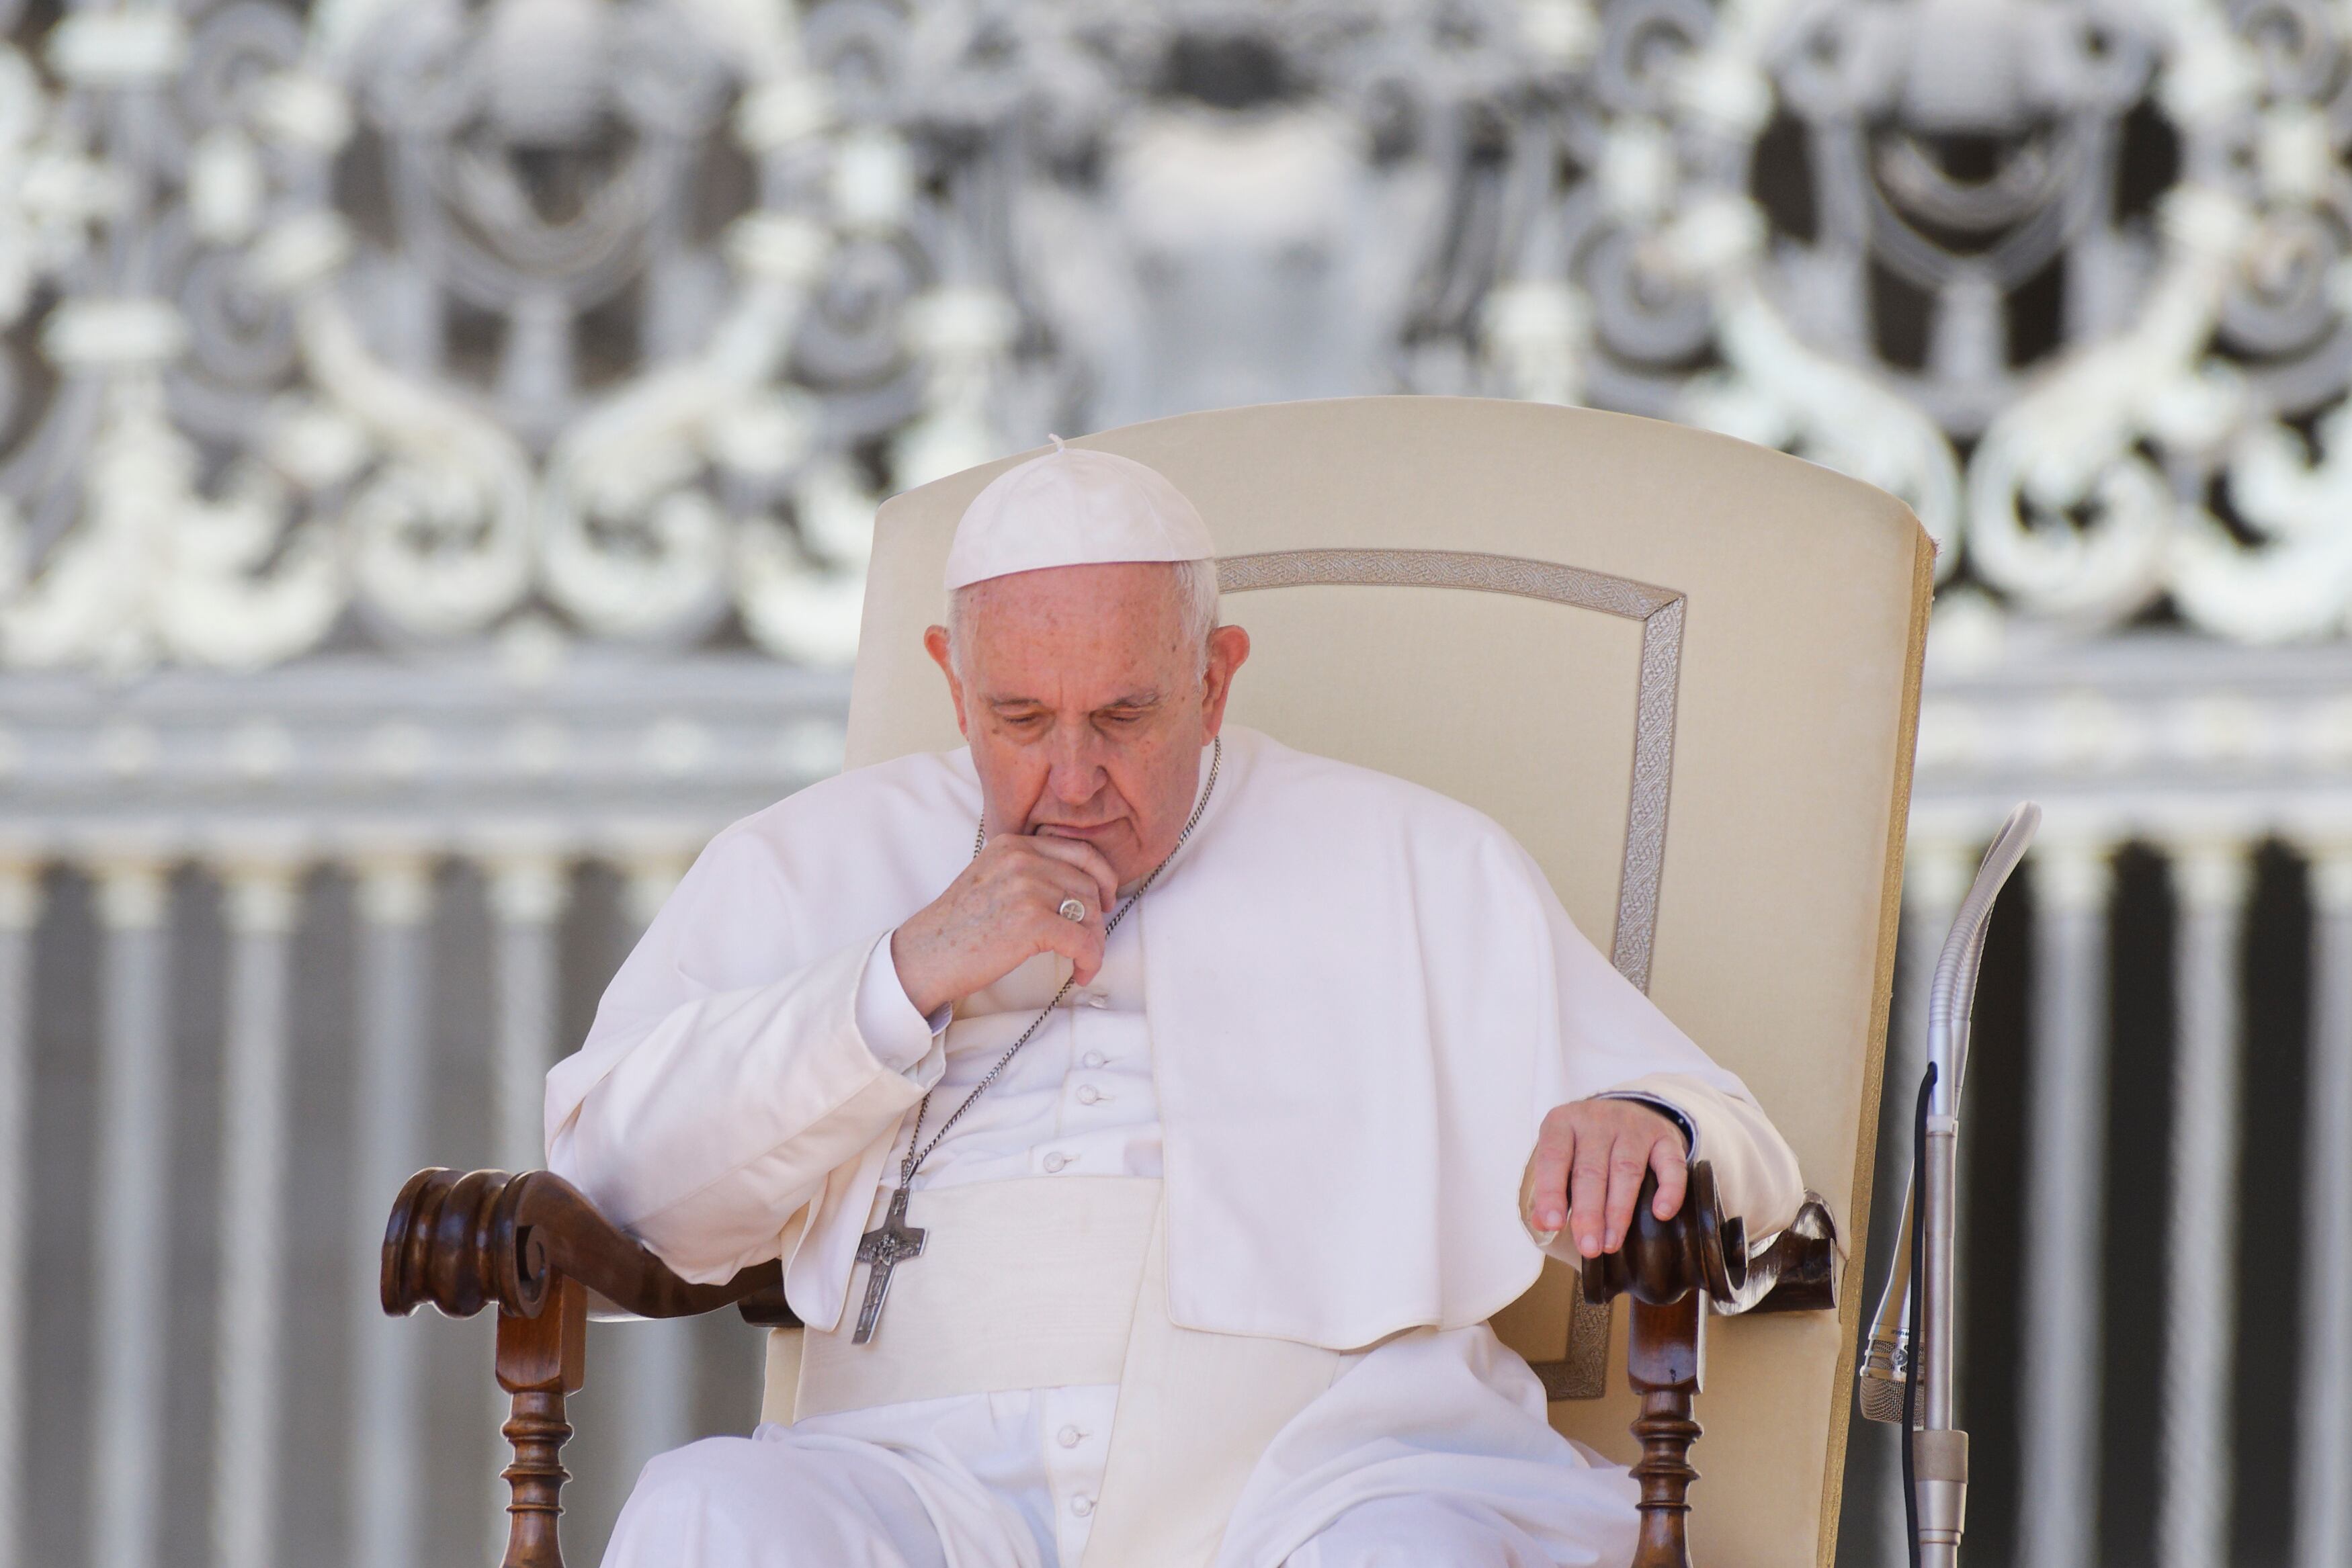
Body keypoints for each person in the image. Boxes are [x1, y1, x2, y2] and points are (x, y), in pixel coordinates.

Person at [547, 440, 1806, 1567]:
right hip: (909, 1489)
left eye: (1127, 714)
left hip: (1321, 1485)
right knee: (710, 1510)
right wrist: (904, 971)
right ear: (950, 678)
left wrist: (1648, 1124)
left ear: (1215, 678)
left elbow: (1730, 1142)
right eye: (1021, 719)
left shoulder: (1414, 858)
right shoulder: (809, 860)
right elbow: (612, 1178)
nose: (1075, 777)